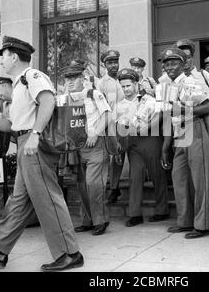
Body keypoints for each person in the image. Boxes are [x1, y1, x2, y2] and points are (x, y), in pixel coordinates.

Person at [0, 36, 83, 271]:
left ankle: (70, 254)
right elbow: (14, 125)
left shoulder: (32, 76)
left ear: (14, 56)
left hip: (34, 146)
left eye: (4, 56)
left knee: (48, 199)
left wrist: (35, 134)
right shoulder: (19, 84)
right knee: (17, 204)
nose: (2, 62)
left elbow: (48, 101)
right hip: (24, 142)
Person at [160, 47, 209, 239]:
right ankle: (184, 221)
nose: (169, 67)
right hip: (179, 133)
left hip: (195, 128)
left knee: (200, 180)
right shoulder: (167, 86)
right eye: (166, 63)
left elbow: (207, 106)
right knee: (179, 178)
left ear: (183, 65)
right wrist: (166, 147)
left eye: (174, 62)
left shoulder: (190, 82)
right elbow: (168, 116)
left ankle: (202, 225)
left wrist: (184, 111)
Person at [175, 39, 209, 229]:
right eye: (180, 56)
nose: (184, 60)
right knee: (188, 176)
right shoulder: (171, 79)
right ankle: (191, 219)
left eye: (187, 56)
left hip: (206, 126)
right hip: (183, 129)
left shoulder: (203, 75)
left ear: (192, 56)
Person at [62, 60, 111, 236]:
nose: (70, 82)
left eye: (74, 78)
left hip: (96, 145)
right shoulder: (66, 99)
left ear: (82, 78)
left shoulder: (93, 94)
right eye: (67, 79)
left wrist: (95, 133)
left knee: (94, 184)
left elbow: (107, 115)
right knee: (81, 186)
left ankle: (101, 220)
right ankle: (88, 220)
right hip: (77, 149)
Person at [116, 68, 169, 227]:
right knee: (135, 177)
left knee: (157, 174)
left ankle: (162, 210)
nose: (126, 89)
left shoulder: (149, 100)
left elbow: (161, 115)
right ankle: (135, 214)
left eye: (128, 86)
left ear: (136, 84)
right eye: (123, 86)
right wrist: (119, 145)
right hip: (133, 143)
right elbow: (120, 126)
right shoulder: (120, 105)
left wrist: (148, 127)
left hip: (151, 139)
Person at [96, 50, 125, 204]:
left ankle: (118, 186)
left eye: (115, 62)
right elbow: (101, 108)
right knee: (115, 156)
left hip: (128, 123)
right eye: (110, 62)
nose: (114, 65)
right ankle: (114, 188)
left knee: (125, 155)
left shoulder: (124, 78)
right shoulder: (102, 83)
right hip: (112, 124)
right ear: (104, 65)